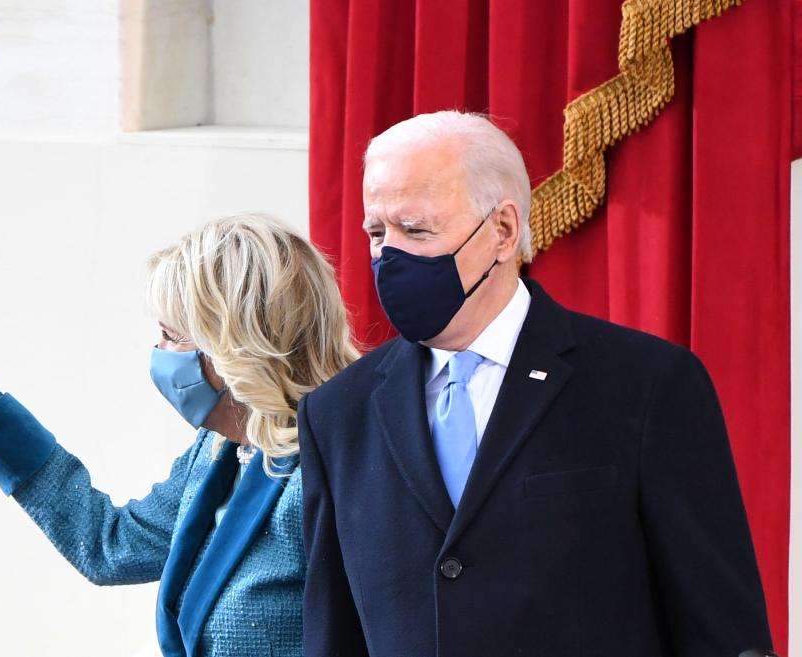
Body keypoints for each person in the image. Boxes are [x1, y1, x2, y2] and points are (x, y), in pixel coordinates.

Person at [298, 111, 773, 657]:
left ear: (501, 231)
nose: (389, 254)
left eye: (417, 229)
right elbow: (334, 635)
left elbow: (722, 631)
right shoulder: (337, 414)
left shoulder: (647, 385)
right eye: (377, 232)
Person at [0, 214, 359, 657]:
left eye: (171, 336)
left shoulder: (332, 475)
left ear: (235, 346)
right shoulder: (218, 451)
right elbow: (111, 546)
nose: (158, 353)